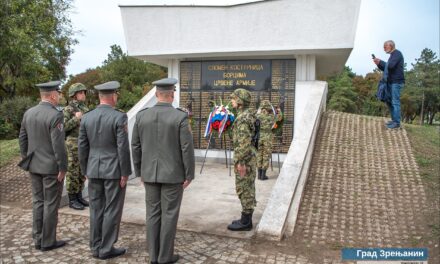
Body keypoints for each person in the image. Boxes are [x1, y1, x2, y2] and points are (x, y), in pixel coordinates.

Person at [131, 77, 195, 264]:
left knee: (152, 214)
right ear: (172, 94)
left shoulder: (142, 116)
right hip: (173, 175)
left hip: (149, 173)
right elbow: (186, 147)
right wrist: (189, 173)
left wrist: (140, 171)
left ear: (157, 94)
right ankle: (165, 256)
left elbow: (135, 146)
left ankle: (153, 256)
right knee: (169, 214)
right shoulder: (180, 116)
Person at [78, 81, 131, 260]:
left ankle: (95, 245)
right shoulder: (119, 117)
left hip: (93, 169)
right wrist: (125, 172)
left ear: (100, 97)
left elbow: (82, 146)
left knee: (96, 208)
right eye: (116, 94)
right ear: (113, 96)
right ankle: (106, 248)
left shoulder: (87, 117)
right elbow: (122, 147)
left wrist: (85, 169)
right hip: (113, 170)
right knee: (111, 209)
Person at [18, 81, 68, 251]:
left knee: (38, 202)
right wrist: (62, 167)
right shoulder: (55, 115)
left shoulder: (29, 113)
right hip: (51, 168)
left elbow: (22, 139)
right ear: (53, 95)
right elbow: (58, 145)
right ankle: (48, 241)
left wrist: (27, 157)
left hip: (34, 165)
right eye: (58, 93)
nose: (59, 96)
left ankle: (38, 238)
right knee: (51, 204)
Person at [227, 88, 257, 231]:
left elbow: (244, 143)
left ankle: (246, 222)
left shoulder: (243, 119)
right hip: (247, 158)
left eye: (233, 98)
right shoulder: (245, 115)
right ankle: (245, 218)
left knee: (244, 189)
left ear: (239, 101)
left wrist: (241, 163)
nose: (231, 100)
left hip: (244, 160)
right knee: (246, 188)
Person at [63, 83, 90, 210]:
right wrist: (75, 118)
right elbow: (63, 128)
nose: (83, 94)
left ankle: (79, 196)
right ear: (74, 95)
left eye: (84, 92)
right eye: (80, 92)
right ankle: (72, 199)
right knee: (73, 172)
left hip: (84, 144)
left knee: (81, 172)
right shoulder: (68, 109)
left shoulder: (85, 108)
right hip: (72, 145)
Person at [373, 40, 405, 129]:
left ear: (390, 45)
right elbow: (387, 68)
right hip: (391, 82)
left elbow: (390, 66)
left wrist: (381, 62)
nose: (384, 49)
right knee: (389, 101)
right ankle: (394, 120)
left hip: (396, 82)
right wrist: (379, 64)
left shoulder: (397, 54)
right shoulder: (392, 55)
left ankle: (397, 123)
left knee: (395, 102)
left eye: (385, 47)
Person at [256, 100, 275, 181]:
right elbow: (279, 117)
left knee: (259, 155)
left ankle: (259, 175)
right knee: (266, 155)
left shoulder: (257, 116)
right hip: (267, 137)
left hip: (259, 137)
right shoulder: (271, 117)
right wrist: (279, 111)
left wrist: (259, 111)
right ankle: (263, 175)